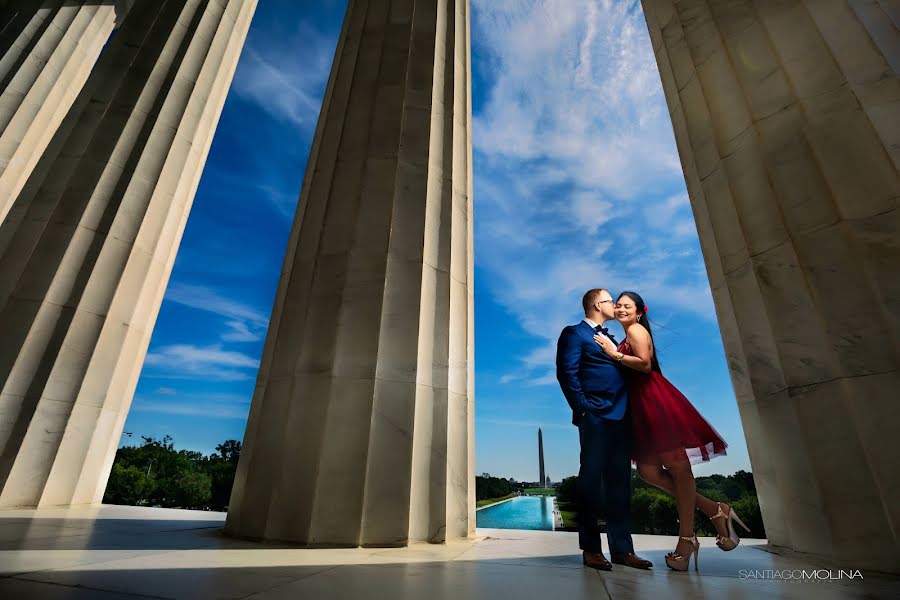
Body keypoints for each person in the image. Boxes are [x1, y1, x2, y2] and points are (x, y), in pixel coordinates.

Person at [593, 291, 750, 572]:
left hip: (654, 403)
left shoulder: (637, 330)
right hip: (640, 407)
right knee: (648, 472)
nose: (620, 308)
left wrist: (613, 353)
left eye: (627, 305)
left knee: (678, 467)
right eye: (617, 304)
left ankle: (687, 539)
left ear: (640, 312)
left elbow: (644, 365)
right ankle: (715, 510)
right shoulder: (628, 334)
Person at [556, 288, 652, 571]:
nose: (616, 306)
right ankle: (591, 550)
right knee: (590, 482)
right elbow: (566, 372)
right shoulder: (574, 333)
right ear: (598, 304)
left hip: (621, 417)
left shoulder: (612, 339)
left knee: (620, 484)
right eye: (611, 301)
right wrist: (583, 407)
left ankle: (623, 550)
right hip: (595, 416)